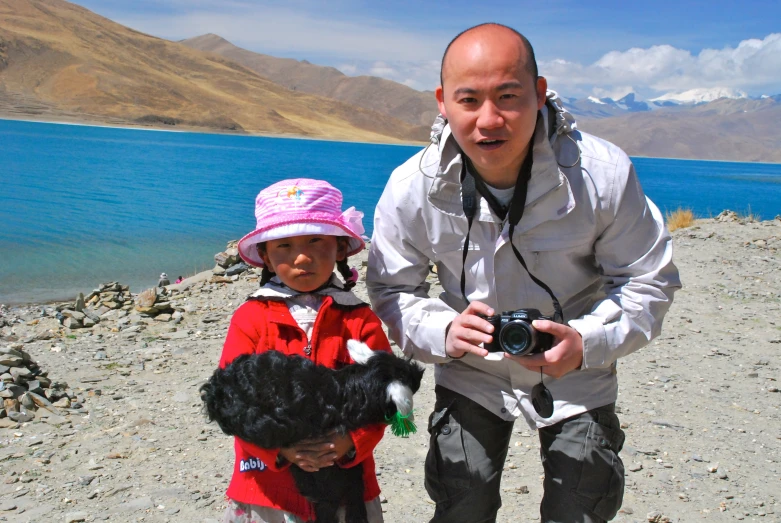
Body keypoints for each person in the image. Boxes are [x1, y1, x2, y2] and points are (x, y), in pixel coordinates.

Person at [367, 23, 681, 523]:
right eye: (468, 100)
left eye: (508, 96)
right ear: (442, 102)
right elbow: (392, 288)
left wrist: (585, 342)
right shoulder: (413, 187)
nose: (489, 120)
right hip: (471, 370)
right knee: (460, 504)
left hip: (578, 372)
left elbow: (648, 279)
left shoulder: (601, 174)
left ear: (539, 94)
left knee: (580, 505)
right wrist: (444, 330)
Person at [218, 178, 390, 523]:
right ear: (264, 256)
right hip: (268, 483)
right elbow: (231, 399)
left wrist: (348, 442)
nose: (302, 257)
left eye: (316, 241)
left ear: (340, 249)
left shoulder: (359, 319)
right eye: (284, 246)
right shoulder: (251, 318)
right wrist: (277, 449)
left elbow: (385, 395)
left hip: (344, 480)